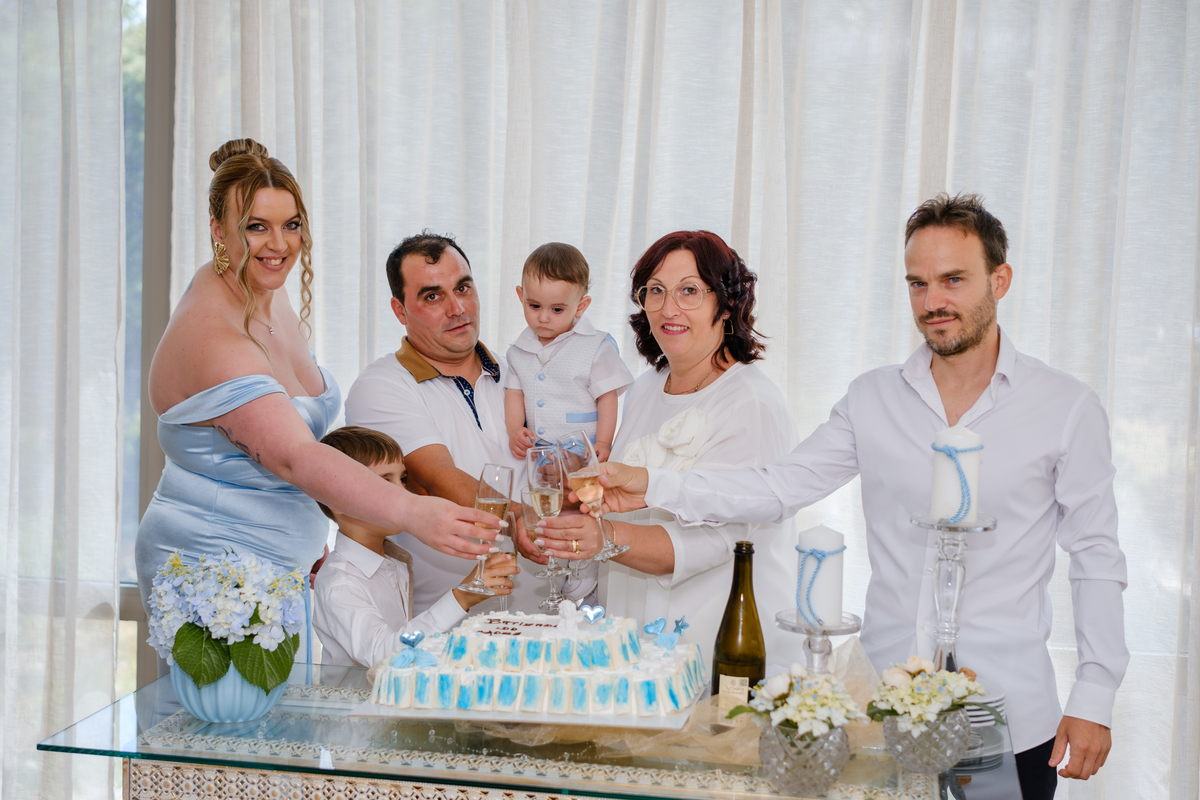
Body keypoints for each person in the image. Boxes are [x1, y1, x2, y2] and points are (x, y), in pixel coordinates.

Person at [584, 196, 1127, 797]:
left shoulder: (1065, 407)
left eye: (953, 279)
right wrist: (653, 482)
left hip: (1005, 711)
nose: (933, 301)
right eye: (917, 283)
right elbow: (778, 485)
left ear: (1000, 280)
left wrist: (1095, 692)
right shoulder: (873, 399)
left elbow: (1097, 556)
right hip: (881, 710)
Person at [135, 141, 501, 613]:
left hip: (290, 563)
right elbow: (295, 458)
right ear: (218, 230)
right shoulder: (215, 340)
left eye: (290, 225)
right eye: (256, 227)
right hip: (214, 568)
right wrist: (412, 511)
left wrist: (310, 533)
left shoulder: (261, 290)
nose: (279, 245)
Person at [534, 230, 801, 669]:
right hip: (632, 644)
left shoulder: (751, 403)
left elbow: (718, 542)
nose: (668, 308)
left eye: (689, 291)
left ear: (726, 305)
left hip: (713, 648)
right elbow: (627, 499)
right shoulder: (645, 388)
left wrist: (605, 537)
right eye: (655, 291)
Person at [346, 231, 558, 615]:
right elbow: (436, 478)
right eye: (432, 296)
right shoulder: (380, 386)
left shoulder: (523, 373)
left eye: (463, 288)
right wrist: (519, 515)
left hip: (551, 618)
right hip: (446, 627)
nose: (457, 308)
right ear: (399, 311)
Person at [311, 427, 516, 668]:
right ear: (337, 499)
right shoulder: (339, 583)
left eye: (402, 479)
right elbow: (383, 655)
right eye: (385, 481)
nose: (402, 492)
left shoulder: (395, 560)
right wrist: (461, 597)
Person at [505, 243, 634, 462]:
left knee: (579, 477)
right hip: (541, 449)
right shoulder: (517, 352)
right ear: (521, 295)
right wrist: (515, 429)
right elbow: (515, 395)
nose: (543, 318)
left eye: (557, 309)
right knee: (545, 479)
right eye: (534, 306)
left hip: (584, 447)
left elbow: (607, 397)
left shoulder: (596, 346)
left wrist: (603, 442)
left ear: (581, 306)